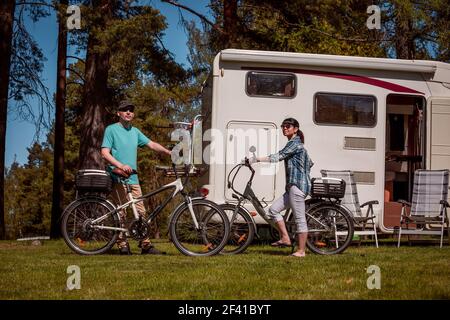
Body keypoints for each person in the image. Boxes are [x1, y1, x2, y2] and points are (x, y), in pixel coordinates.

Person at [101, 100, 172, 255]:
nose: (128, 112)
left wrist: (168, 152)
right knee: (121, 213)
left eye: (131, 110)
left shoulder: (135, 131)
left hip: (132, 179)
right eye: (124, 110)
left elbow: (151, 144)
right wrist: (119, 165)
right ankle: (122, 244)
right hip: (118, 176)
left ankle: (145, 245)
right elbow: (104, 153)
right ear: (118, 113)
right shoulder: (111, 130)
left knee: (141, 212)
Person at [250, 118, 313, 258]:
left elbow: (279, 156)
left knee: (299, 219)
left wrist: (256, 159)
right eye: (283, 126)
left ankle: (301, 251)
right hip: (292, 187)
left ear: (295, 129)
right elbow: (310, 163)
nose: (285, 128)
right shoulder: (295, 144)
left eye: (288, 126)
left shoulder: (295, 143)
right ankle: (285, 238)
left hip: (297, 187)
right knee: (273, 210)